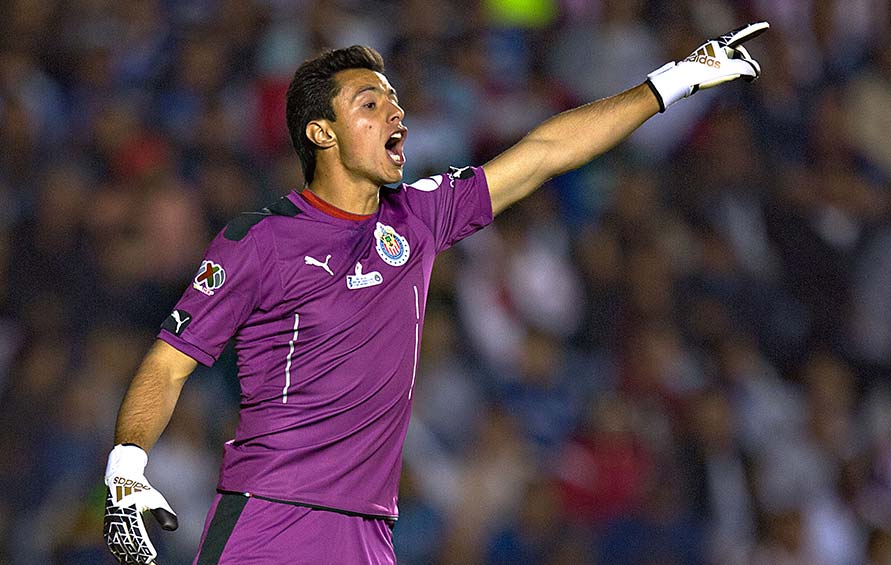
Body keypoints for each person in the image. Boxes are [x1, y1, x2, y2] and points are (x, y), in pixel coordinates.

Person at [102, 22, 768, 564]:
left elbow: (543, 152)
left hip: (368, 534)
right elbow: (169, 361)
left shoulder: (417, 216)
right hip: (274, 518)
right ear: (321, 132)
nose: (396, 110)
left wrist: (674, 80)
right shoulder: (261, 241)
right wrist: (127, 464)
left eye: (395, 99)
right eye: (371, 102)